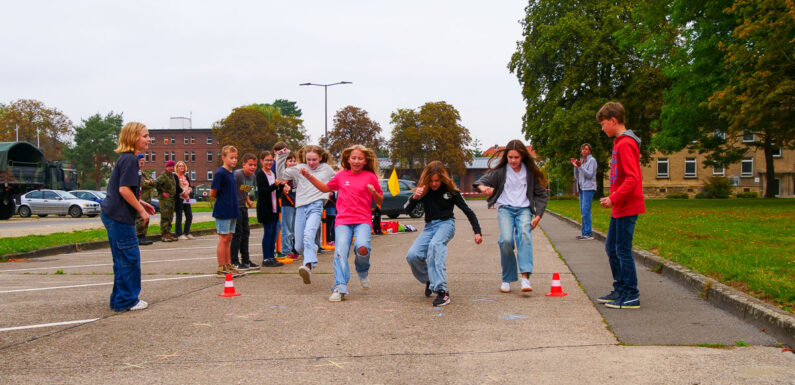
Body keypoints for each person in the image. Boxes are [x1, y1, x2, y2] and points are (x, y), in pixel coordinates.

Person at [301, 145, 384, 302]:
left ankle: (362, 271)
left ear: (365, 161)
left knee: (363, 248)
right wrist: (309, 177)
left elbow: (380, 201)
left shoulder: (370, 177)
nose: (356, 161)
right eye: (353, 158)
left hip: (363, 221)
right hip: (343, 221)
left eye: (360, 158)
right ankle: (340, 286)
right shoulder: (340, 176)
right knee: (340, 252)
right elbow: (325, 188)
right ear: (348, 159)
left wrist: (374, 192)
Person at [474, 139, 548, 294]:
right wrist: (483, 188)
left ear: (522, 157)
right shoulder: (501, 172)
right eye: (510, 157)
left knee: (524, 236)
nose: (513, 160)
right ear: (506, 157)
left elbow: (541, 195)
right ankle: (507, 279)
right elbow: (480, 181)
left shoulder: (530, 172)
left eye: (516, 157)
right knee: (506, 240)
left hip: (524, 210)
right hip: (505, 209)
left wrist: (538, 215)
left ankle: (525, 278)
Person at [405, 161, 482, 307]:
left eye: (437, 180)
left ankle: (442, 291)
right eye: (431, 181)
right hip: (429, 227)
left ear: (442, 178)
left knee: (435, 246)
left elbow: (468, 211)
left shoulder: (451, 191)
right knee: (412, 255)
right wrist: (414, 198)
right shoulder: (424, 190)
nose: (434, 184)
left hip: (446, 224)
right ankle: (430, 279)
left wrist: (477, 232)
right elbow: (408, 211)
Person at [101, 122, 156, 311]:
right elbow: (123, 190)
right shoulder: (130, 160)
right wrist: (141, 212)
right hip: (119, 216)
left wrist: (141, 203)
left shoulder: (129, 159)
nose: (148, 139)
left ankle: (119, 299)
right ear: (133, 138)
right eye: (145, 136)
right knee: (129, 258)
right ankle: (127, 300)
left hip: (115, 214)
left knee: (122, 259)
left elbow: (126, 190)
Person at [596, 102, 645, 309]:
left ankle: (631, 293)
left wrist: (614, 198)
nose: (602, 128)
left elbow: (632, 178)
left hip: (627, 206)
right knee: (612, 248)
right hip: (620, 206)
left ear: (613, 121)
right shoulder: (619, 142)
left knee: (622, 250)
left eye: (603, 123)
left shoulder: (625, 144)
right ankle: (620, 289)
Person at [276, 145, 335, 285]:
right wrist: (281, 157)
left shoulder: (326, 169)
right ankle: (313, 249)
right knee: (298, 247)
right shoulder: (299, 168)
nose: (311, 163)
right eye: (309, 159)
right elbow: (280, 176)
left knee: (309, 234)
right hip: (301, 206)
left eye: (314, 159)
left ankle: (308, 266)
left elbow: (339, 179)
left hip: (316, 205)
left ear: (320, 158)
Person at [210, 145, 243, 276]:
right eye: (231, 158)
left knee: (229, 237)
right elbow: (213, 192)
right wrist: (224, 199)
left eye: (236, 158)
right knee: (223, 238)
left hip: (232, 209)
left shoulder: (232, 173)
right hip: (223, 209)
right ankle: (221, 266)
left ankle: (228, 264)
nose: (234, 160)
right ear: (224, 158)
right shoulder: (220, 173)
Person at [255, 150, 286, 268]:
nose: (269, 162)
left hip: (274, 208)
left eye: (271, 160)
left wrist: (281, 185)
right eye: (266, 160)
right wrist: (274, 185)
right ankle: (266, 258)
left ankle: (271, 256)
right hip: (265, 208)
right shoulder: (260, 174)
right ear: (261, 161)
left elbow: (276, 192)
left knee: (273, 233)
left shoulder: (273, 173)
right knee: (268, 233)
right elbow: (263, 191)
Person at [230, 153, 258, 271]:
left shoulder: (252, 177)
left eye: (255, 165)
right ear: (244, 165)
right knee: (237, 234)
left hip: (243, 206)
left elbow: (245, 190)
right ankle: (234, 261)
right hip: (234, 207)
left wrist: (248, 200)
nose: (252, 167)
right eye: (250, 165)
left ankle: (246, 260)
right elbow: (229, 189)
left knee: (246, 233)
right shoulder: (237, 175)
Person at [572, 143, 597, 240]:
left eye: (586, 149)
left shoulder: (592, 160)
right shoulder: (581, 161)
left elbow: (590, 175)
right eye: (583, 149)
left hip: (589, 188)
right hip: (582, 188)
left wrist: (580, 167)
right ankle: (584, 233)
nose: (584, 151)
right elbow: (576, 177)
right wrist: (575, 166)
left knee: (586, 210)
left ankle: (588, 233)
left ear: (590, 151)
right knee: (583, 211)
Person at [279, 153, 299, 259]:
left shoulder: (297, 174)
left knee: (295, 228)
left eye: (294, 161)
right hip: (288, 204)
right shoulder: (285, 174)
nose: (293, 163)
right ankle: (286, 249)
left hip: (297, 203)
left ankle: (293, 248)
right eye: (290, 161)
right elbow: (282, 186)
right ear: (286, 162)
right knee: (287, 228)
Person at [155, 160, 177, 242]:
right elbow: (156, 183)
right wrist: (162, 192)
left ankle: (168, 234)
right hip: (164, 200)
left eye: (172, 166)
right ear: (166, 167)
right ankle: (164, 235)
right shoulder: (163, 176)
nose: (171, 168)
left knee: (170, 217)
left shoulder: (172, 176)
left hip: (171, 199)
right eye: (170, 166)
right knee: (165, 217)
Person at [136, 154, 155, 245]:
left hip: (147, 200)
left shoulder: (145, 174)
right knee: (140, 218)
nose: (142, 162)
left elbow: (153, 182)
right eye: (140, 160)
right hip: (140, 200)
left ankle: (143, 235)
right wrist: (149, 183)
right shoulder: (135, 173)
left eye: (143, 160)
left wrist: (150, 182)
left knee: (146, 218)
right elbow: (143, 184)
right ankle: (139, 237)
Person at [174, 161, 194, 240]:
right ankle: (179, 233)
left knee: (189, 215)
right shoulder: (175, 176)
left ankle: (187, 232)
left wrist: (189, 191)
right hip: (179, 198)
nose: (181, 167)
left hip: (186, 198)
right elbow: (176, 188)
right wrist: (183, 193)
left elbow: (190, 187)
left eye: (182, 166)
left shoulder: (186, 176)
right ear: (177, 168)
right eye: (179, 166)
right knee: (179, 216)